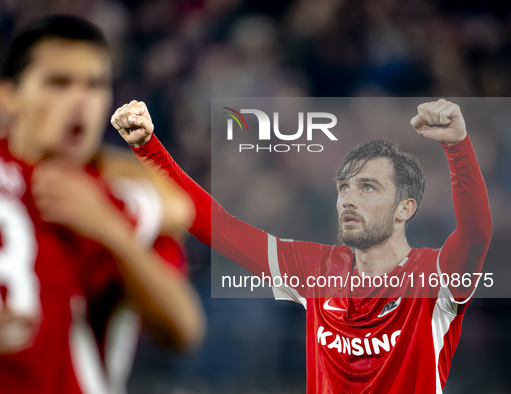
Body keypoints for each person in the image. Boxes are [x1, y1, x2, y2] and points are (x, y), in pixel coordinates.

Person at [113, 98, 493, 393]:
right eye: (344, 188)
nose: (348, 199)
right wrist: (148, 148)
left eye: (368, 188)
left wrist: (457, 146)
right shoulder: (315, 267)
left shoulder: (433, 277)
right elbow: (218, 228)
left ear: (404, 209)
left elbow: (476, 231)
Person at [0, 5, 201, 394]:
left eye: (95, 86)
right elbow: (179, 208)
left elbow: (183, 329)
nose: (80, 102)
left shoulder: (102, 196)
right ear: (6, 96)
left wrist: (111, 231)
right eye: (59, 83)